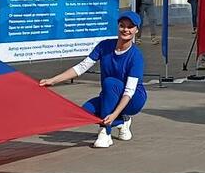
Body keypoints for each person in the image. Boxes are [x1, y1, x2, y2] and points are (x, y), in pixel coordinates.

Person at [40, 11, 147, 149]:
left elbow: (129, 91)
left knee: (110, 82)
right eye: (122, 25)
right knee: (86, 112)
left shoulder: (136, 56)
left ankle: (105, 132)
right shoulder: (104, 46)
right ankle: (122, 121)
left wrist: (113, 114)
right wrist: (53, 80)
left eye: (130, 27)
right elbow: (81, 68)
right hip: (111, 95)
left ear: (136, 30)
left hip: (133, 99)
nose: (125, 30)